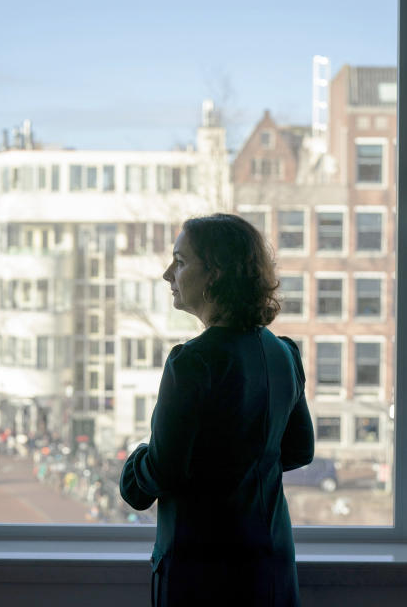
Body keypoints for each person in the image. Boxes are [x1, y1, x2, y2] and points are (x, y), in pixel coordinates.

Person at [120, 213, 314, 606]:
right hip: (271, 570)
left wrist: (134, 464)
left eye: (181, 260)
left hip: (203, 577)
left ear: (215, 274)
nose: (167, 273)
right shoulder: (284, 353)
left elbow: (160, 472)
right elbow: (298, 450)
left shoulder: (193, 362)